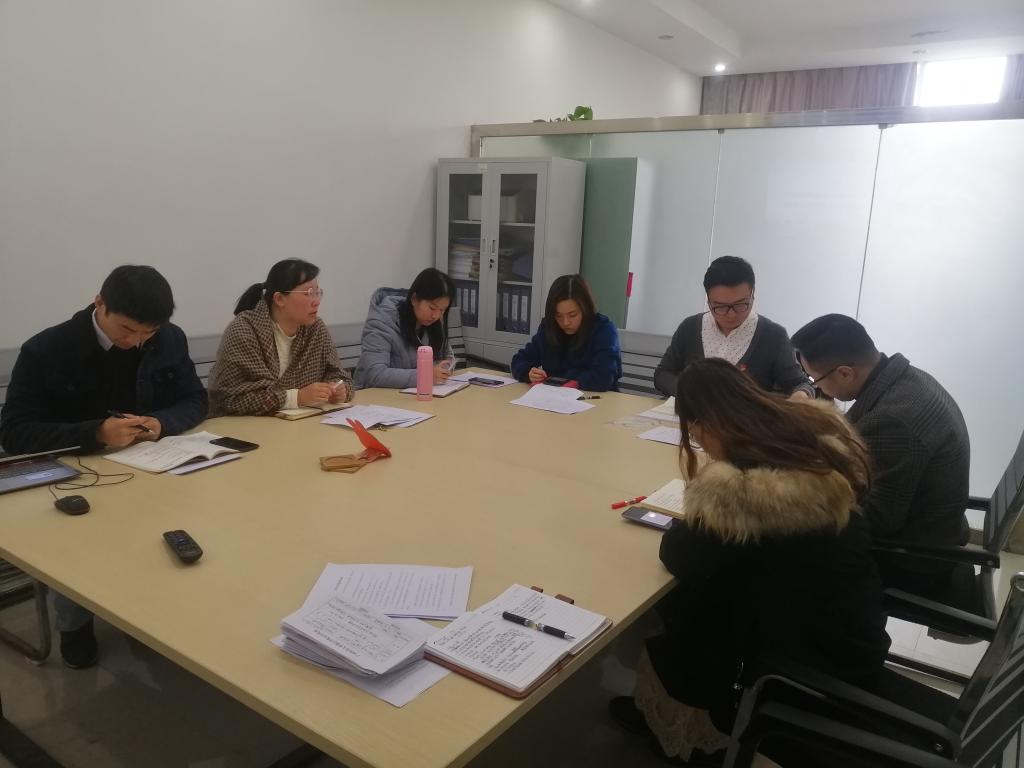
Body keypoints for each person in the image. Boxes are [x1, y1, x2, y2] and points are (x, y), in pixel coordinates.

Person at [609, 359, 889, 766]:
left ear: (702, 424)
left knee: (679, 605)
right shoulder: (809, 436)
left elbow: (679, 555)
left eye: (695, 433)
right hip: (854, 638)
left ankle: (694, 740)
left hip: (798, 666)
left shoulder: (739, 492)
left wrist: (700, 510)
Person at [0, 265, 207, 669]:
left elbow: (195, 399)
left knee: (165, 540)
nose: (135, 342)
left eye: (147, 333)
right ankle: (75, 627)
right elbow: (14, 432)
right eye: (127, 330)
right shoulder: (46, 349)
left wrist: (160, 423)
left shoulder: (169, 338)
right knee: (78, 553)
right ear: (100, 303)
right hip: (77, 477)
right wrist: (96, 432)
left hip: (151, 469)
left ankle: (146, 614)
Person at [791, 314, 970, 594]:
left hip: (914, 558)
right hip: (935, 525)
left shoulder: (894, 421)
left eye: (815, 379)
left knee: (785, 548)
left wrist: (800, 498)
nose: (816, 388)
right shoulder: (907, 379)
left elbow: (877, 519)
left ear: (845, 373)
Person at [653, 256, 812, 400]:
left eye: (740, 304)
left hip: (746, 421)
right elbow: (662, 374)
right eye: (720, 307)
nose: (731, 315)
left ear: (752, 294)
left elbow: (801, 384)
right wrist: (688, 391)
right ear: (708, 300)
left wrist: (801, 395)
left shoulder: (774, 336)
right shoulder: (689, 328)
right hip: (690, 418)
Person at [208, 259, 352, 416]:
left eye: (318, 292)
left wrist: (339, 389)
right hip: (242, 425)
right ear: (279, 299)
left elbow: (338, 374)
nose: (316, 302)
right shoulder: (244, 331)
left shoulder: (316, 329)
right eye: (308, 293)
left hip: (300, 424)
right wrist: (297, 398)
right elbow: (228, 399)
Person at [510, 274, 622, 391]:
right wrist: (528, 373)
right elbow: (519, 360)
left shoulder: (604, 330)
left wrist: (566, 381)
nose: (565, 322)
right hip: (555, 397)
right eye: (558, 315)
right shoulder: (549, 326)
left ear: (586, 309)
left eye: (572, 315)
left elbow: (603, 378)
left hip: (599, 399)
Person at [354, 267, 457, 389]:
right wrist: (425, 375)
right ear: (414, 299)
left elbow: (447, 357)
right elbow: (374, 374)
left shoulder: (433, 323)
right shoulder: (382, 321)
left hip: (416, 393)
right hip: (375, 395)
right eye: (432, 308)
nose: (436, 315)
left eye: (442, 310)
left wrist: (442, 371)